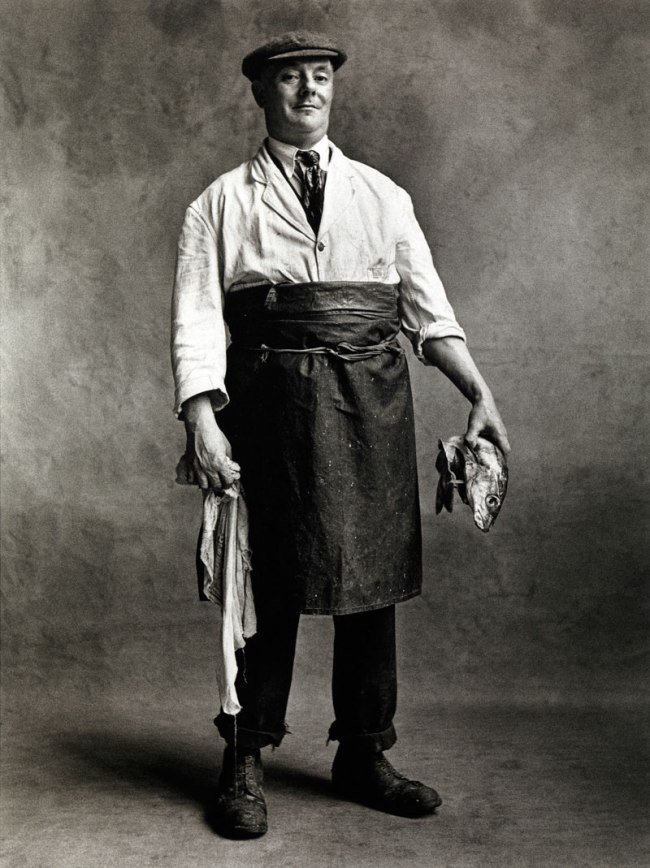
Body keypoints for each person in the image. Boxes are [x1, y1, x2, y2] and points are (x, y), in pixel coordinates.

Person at [171, 31, 510, 839]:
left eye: (319, 77)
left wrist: (481, 393)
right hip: (269, 411)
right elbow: (195, 321)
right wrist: (201, 422)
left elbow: (428, 312)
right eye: (290, 79)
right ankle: (245, 756)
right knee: (270, 583)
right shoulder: (220, 202)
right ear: (261, 93)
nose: (308, 92)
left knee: (370, 585)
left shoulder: (383, 195)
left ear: (334, 89)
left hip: (373, 404)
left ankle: (364, 751)